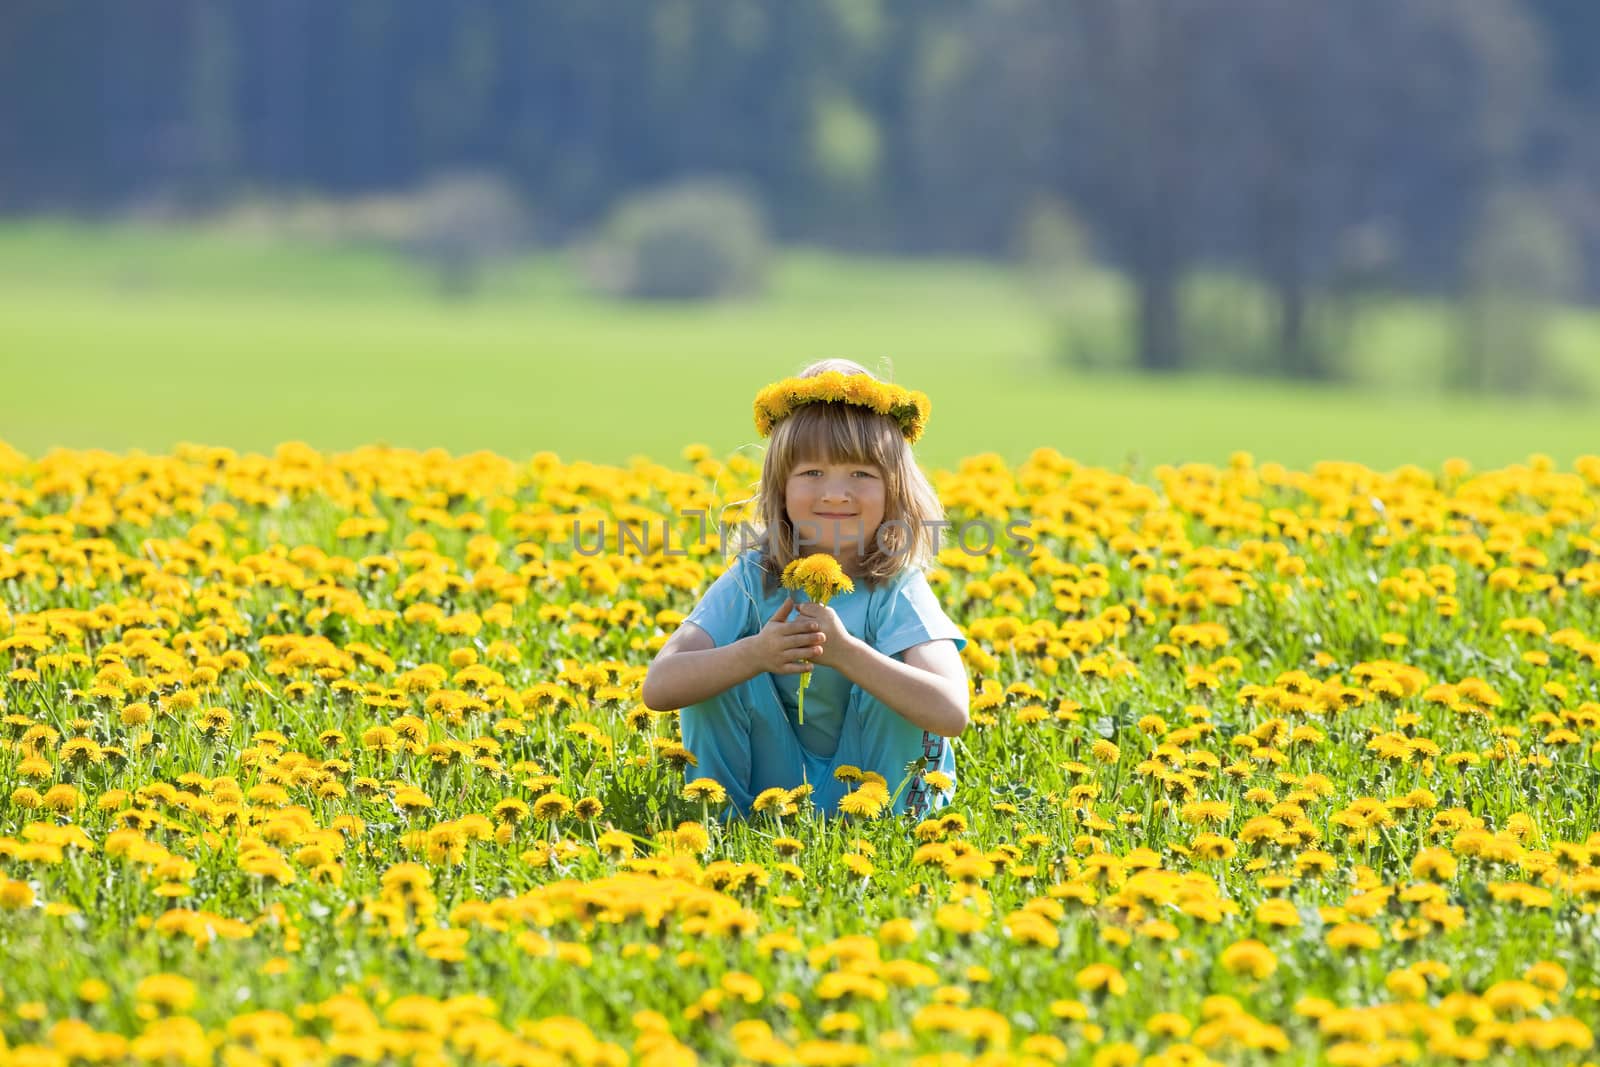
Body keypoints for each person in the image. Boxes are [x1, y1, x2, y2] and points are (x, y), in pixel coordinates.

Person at [641, 359, 969, 817]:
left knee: (898, 682)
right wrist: (754, 654)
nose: (836, 494)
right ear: (781, 489)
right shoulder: (754, 577)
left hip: (877, 793)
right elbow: (659, 686)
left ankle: (898, 821)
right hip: (772, 791)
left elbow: (951, 712)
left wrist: (848, 654)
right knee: (711, 673)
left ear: (895, 490)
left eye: (861, 474)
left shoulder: (896, 586)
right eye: (812, 473)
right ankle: (721, 821)